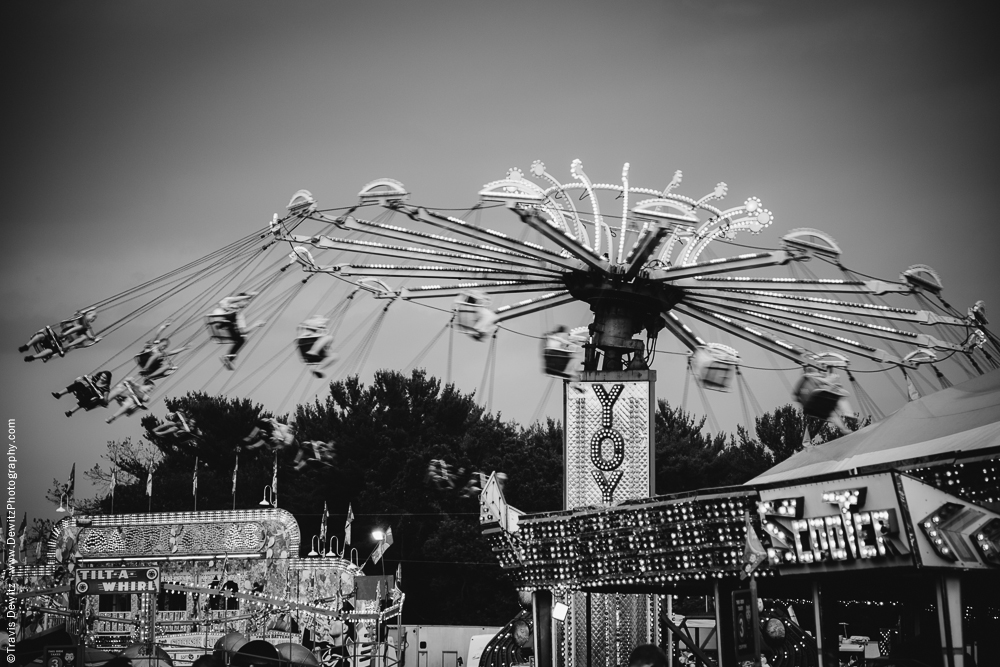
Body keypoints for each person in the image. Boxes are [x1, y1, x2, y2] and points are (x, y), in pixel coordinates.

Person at [207, 292, 264, 370]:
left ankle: (229, 357)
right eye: (246, 301)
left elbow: (243, 331)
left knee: (242, 340)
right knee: (232, 316)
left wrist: (255, 325)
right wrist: (248, 296)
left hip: (227, 326)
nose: (247, 304)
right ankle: (223, 323)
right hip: (219, 320)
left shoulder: (239, 315)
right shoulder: (228, 302)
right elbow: (234, 300)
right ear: (241, 300)